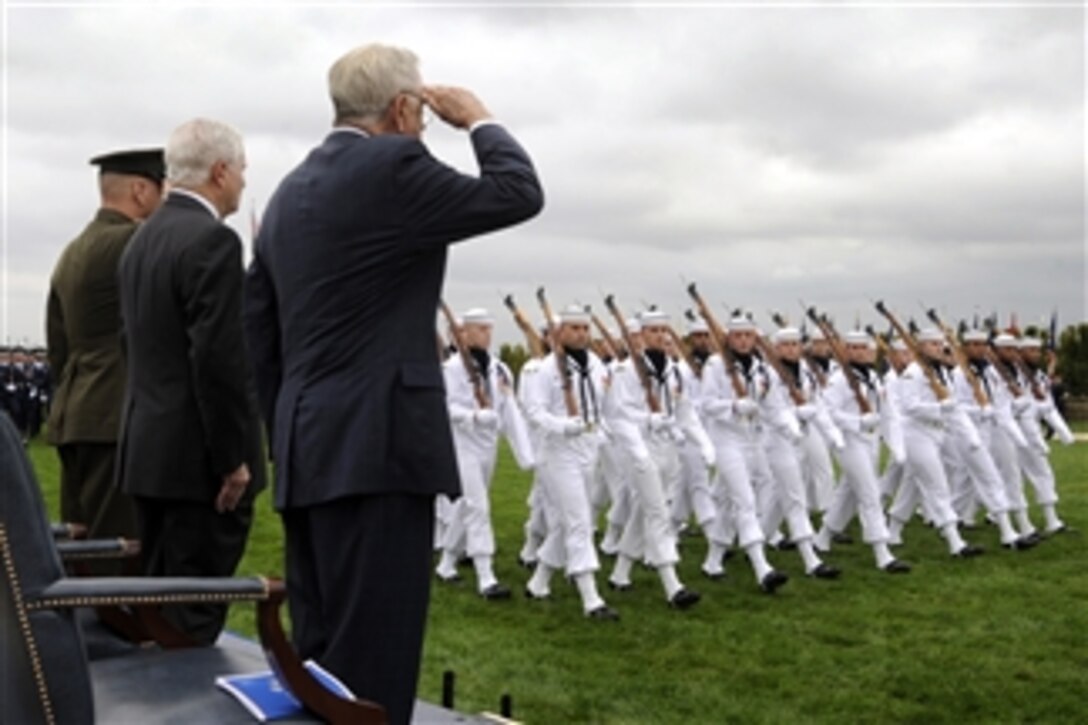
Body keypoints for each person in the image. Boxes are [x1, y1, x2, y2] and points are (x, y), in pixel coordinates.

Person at [243, 43, 543, 724]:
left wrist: (285, 428)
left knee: (318, 668)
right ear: (404, 107)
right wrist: (479, 122)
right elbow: (518, 193)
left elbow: (258, 332)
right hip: (378, 447)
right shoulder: (393, 162)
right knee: (375, 667)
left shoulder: (289, 192)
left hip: (307, 444)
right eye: (422, 116)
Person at [117, 119, 266, 644]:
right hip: (200, 469)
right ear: (220, 171)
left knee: (159, 612)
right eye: (243, 170)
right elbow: (217, 361)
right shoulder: (211, 242)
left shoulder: (142, 239)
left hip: (150, 455)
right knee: (191, 622)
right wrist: (232, 460)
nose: (245, 182)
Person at [46, 148, 164, 558]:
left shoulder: (72, 251)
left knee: (81, 551)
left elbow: (58, 346)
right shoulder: (135, 242)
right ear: (140, 190)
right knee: (118, 553)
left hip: (75, 412)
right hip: (115, 415)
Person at [522, 305, 618, 620]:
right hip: (558, 452)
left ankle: (538, 583)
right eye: (574, 328)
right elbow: (533, 412)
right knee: (580, 521)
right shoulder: (545, 369)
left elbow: (604, 407)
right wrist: (563, 425)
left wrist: (601, 431)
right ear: (560, 331)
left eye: (584, 328)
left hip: (587, 449)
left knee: (567, 522)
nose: (581, 334)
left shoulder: (597, 366)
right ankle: (591, 599)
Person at [436, 307, 534, 599]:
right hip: (463, 445)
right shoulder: (451, 369)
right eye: (479, 329)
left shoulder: (499, 368)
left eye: (488, 329)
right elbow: (444, 407)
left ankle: (446, 564)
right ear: (464, 333)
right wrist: (473, 417)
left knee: (468, 506)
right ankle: (485, 575)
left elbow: (511, 408)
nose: (486, 334)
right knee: (478, 508)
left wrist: (524, 452)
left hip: (488, 447)